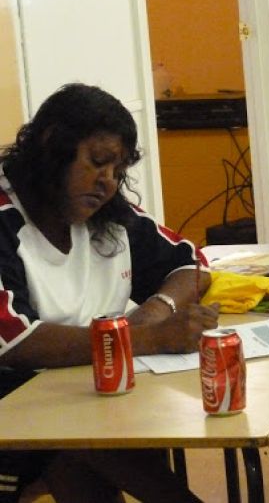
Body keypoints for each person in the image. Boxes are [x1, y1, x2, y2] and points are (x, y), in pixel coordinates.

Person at [0, 83, 218, 502]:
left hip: (83, 403)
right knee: (80, 442)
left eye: (118, 172)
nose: (107, 183)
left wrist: (157, 309)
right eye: (98, 163)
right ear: (50, 148)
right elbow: (15, 340)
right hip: (13, 406)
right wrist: (146, 338)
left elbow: (192, 265)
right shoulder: (4, 219)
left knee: (90, 439)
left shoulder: (108, 214)